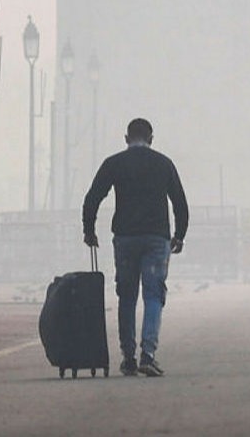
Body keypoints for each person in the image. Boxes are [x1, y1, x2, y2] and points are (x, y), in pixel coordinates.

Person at [83, 117, 190, 377]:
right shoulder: (164, 164)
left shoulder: (114, 164)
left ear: (126, 139)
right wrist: (179, 235)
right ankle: (148, 354)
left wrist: (90, 231)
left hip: (126, 238)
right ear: (151, 139)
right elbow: (180, 203)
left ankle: (128, 356)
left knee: (127, 296)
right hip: (156, 239)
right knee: (153, 295)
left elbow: (92, 198)